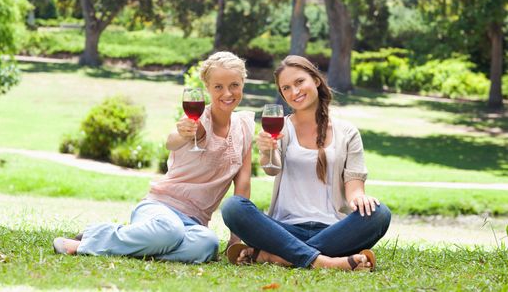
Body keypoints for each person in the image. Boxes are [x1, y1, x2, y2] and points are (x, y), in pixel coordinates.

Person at [53, 51, 255, 264]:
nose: (227, 93)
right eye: (218, 87)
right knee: (169, 231)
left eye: (234, 85)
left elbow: (243, 185)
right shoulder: (198, 118)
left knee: (207, 245)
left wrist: (235, 240)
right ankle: (91, 238)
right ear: (207, 88)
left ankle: (134, 245)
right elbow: (172, 140)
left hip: (195, 222)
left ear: (243, 83)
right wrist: (182, 133)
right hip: (160, 207)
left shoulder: (244, 126)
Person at [222, 55, 391, 271]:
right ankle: (326, 262)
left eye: (299, 82)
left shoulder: (347, 132)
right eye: (286, 88)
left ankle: (274, 256)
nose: (295, 92)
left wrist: (361, 199)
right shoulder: (281, 128)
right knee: (234, 207)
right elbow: (271, 169)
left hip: (334, 230)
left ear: (316, 81)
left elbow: (355, 190)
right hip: (284, 229)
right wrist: (266, 151)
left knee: (380, 213)